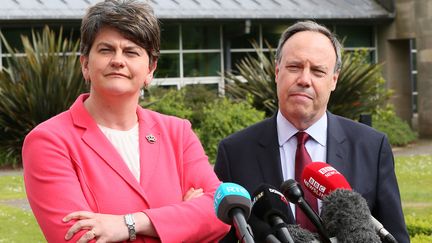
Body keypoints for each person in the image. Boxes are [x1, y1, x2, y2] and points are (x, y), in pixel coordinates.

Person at [22, 0, 229, 242]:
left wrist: (129, 224)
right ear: (85, 64)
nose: (118, 60)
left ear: (150, 70)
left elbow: (221, 213)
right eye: (106, 49)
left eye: (131, 51)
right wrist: (183, 221)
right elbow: (78, 238)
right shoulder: (49, 141)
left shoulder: (177, 132)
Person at [214, 20, 409, 243]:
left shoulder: (372, 147)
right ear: (277, 72)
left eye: (317, 71)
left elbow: (396, 237)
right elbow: (223, 236)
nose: (304, 80)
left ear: (333, 80)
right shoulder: (235, 152)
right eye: (294, 67)